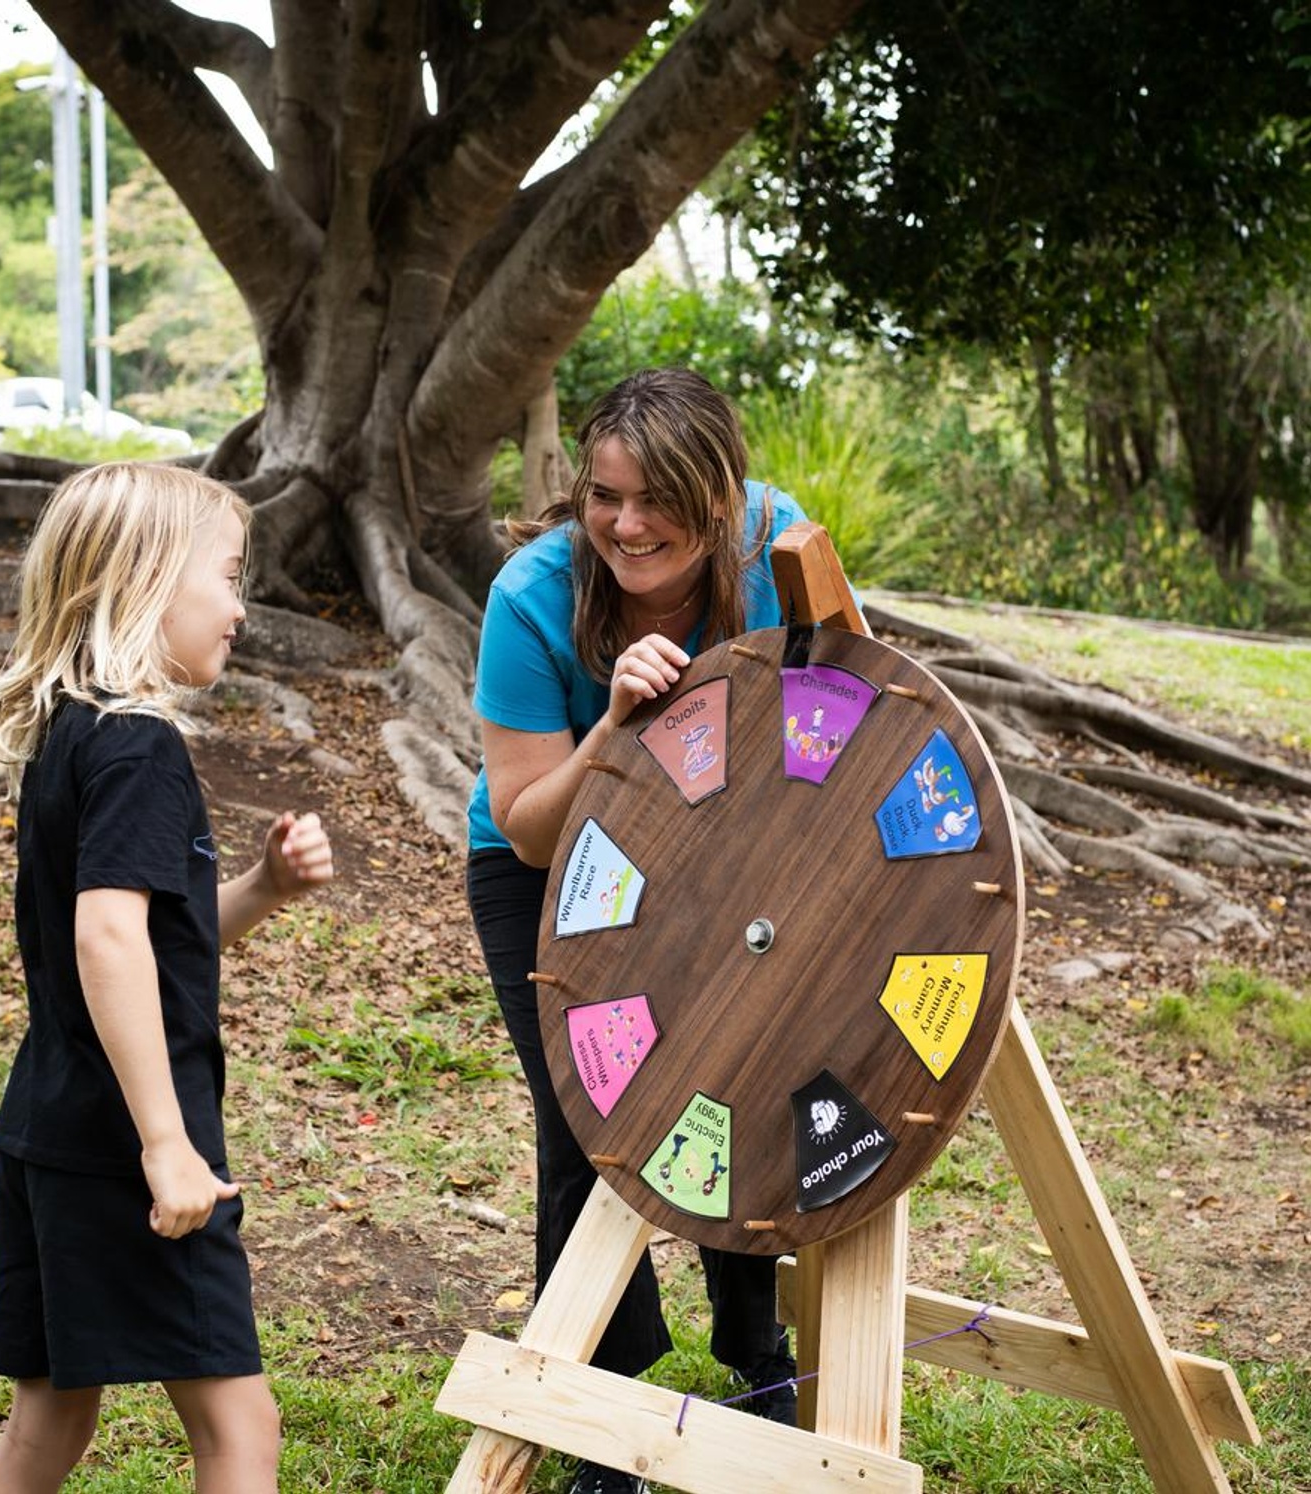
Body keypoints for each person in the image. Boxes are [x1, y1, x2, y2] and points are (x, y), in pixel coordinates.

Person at [466, 368, 806, 1494]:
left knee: (738, 1088)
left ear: (720, 502)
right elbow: (521, 828)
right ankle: (601, 1411)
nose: (625, 523)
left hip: (720, 855)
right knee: (592, 1119)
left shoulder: (778, 550)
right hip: (554, 866)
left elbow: (846, 710)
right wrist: (613, 721)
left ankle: (758, 1350)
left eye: (655, 499)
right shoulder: (532, 596)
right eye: (604, 495)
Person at [0, 463, 335, 1493]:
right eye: (224, 575)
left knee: (49, 1421)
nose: (239, 605)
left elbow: (152, 932)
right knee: (239, 1430)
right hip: (132, 1145)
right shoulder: (138, 747)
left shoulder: (71, 738)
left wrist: (261, 885)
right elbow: (108, 944)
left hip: (52, 1123)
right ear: (145, 583)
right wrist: (167, 1147)